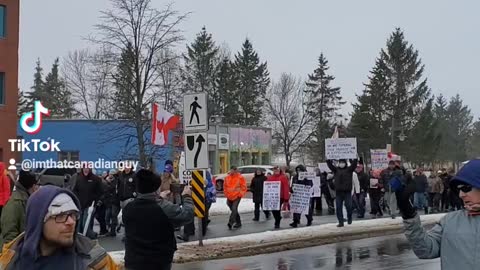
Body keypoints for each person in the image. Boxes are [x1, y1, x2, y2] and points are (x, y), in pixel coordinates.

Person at [0, 185, 118, 269]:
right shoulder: (10, 261)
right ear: (38, 221)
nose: (71, 222)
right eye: (60, 215)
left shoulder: (94, 260)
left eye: (73, 214)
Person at [397, 159, 480, 270]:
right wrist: (408, 213)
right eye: (458, 189)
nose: (461, 195)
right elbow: (425, 250)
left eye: (466, 188)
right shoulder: (450, 221)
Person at [123, 169, 194, 270]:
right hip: (158, 262)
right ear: (156, 189)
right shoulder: (164, 208)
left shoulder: (128, 206)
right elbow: (187, 215)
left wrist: (159, 198)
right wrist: (187, 196)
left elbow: (145, 211)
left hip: (133, 262)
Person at [0, 170, 39, 248]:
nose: (38, 188)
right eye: (37, 185)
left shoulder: (27, 200)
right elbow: (9, 234)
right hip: (13, 254)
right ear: (33, 186)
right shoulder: (15, 202)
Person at [177, 170, 216, 242]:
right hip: (192, 193)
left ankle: (202, 232)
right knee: (189, 212)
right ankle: (187, 233)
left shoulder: (205, 172)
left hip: (202, 195)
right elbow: (185, 181)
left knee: (202, 214)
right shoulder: (188, 171)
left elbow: (209, 184)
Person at [72, 166, 103, 239]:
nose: (86, 170)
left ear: (90, 169)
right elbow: (75, 190)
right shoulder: (78, 178)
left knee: (85, 223)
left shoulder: (96, 179)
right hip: (80, 204)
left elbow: (100, 191)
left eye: (87, 168)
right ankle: (81, 237)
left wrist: (97, 201)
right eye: (84, 168)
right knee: (79, 224)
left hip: (90, 205)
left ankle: (89, 236)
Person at [327, 159, 358, 227]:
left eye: (343, 163)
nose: (341, 164)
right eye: (340, 162)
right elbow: (330, 166)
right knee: (338, 207)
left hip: (347, 192)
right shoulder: (336, 170)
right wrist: (328, 160)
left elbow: (354, 165)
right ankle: (341, 222)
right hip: (338, 192)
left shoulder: (349, 170)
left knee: (349, 206)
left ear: (345, 163)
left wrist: (355, 159)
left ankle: (349, 217)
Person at [103, 169, 120, 237]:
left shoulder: (116, 181)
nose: (111, 175)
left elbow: (113, 189)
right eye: (110, 174)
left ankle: (113, 230)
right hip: (108, 202)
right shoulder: (106, 181)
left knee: (113, 216)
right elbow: (105, 190)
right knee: (107, 217)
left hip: (115, 201)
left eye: (112, 174)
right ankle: (109, 229)